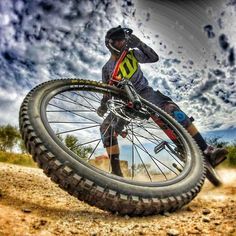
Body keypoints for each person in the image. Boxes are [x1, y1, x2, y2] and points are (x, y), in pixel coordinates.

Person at [97, 25, 228, 177]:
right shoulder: (106, 68)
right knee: (106, 128)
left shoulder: (131, 54)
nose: (122, 43)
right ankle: (116, 172)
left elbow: (154, 58)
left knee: (172, 110)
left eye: (123, 40)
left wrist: (139, 44)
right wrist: (102, 105)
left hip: (144, 92)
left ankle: (207, 150)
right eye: (118, 41)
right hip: (125, 103)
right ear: (110, 43)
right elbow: (107, 90)